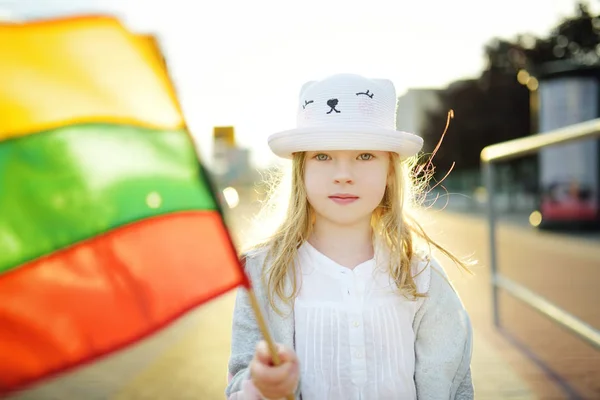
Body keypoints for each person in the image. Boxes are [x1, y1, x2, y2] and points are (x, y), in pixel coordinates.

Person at [225, 73, 474, 400]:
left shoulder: (422, 277)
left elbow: (454, 386)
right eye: (323, 157)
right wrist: (261, 388)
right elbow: (238, 382)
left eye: (365, 156)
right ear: (302, 169)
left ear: (389, 170)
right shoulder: (263, 274)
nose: (343, 175)